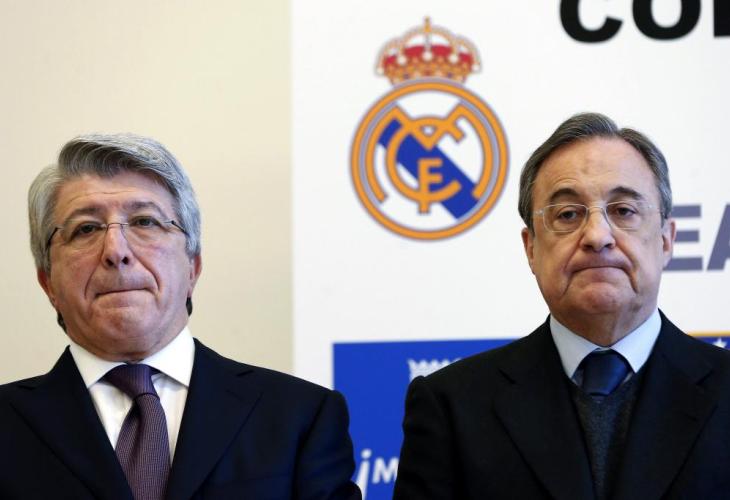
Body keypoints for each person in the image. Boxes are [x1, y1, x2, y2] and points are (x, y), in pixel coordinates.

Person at [0, 134, 361, 500]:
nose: (115, 251)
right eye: (86, 228)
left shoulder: (300, 417)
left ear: (192, 266)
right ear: (48, 282)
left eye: (144, 221)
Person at [393, 112, 730, 499]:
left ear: (666, 240)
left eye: (623, 211)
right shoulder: (452, 406)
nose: (598, 236)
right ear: (531, 248)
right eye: (568, 215)